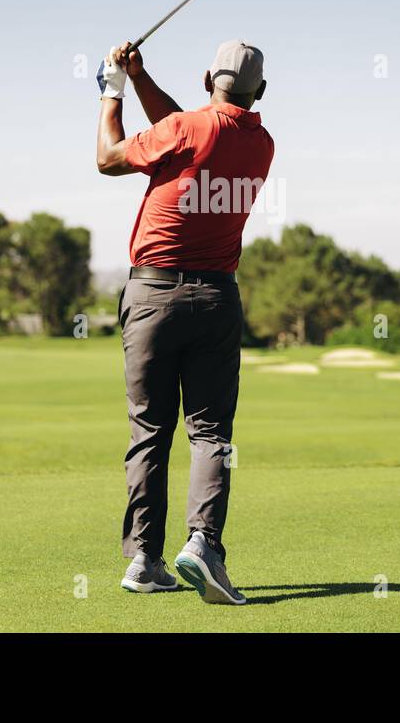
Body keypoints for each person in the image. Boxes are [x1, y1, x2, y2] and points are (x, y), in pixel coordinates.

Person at [95, 39, 274, 605]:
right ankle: (203, 545)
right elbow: (184, 127)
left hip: (151, 296)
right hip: (217, 298)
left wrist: (113, 89)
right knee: (211, 433)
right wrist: (142, 78)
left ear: (206, 79)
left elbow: (108, 157)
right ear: (260, 92)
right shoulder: (263, 143)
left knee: (150, 431)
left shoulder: (185, 130)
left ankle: (145, 559)